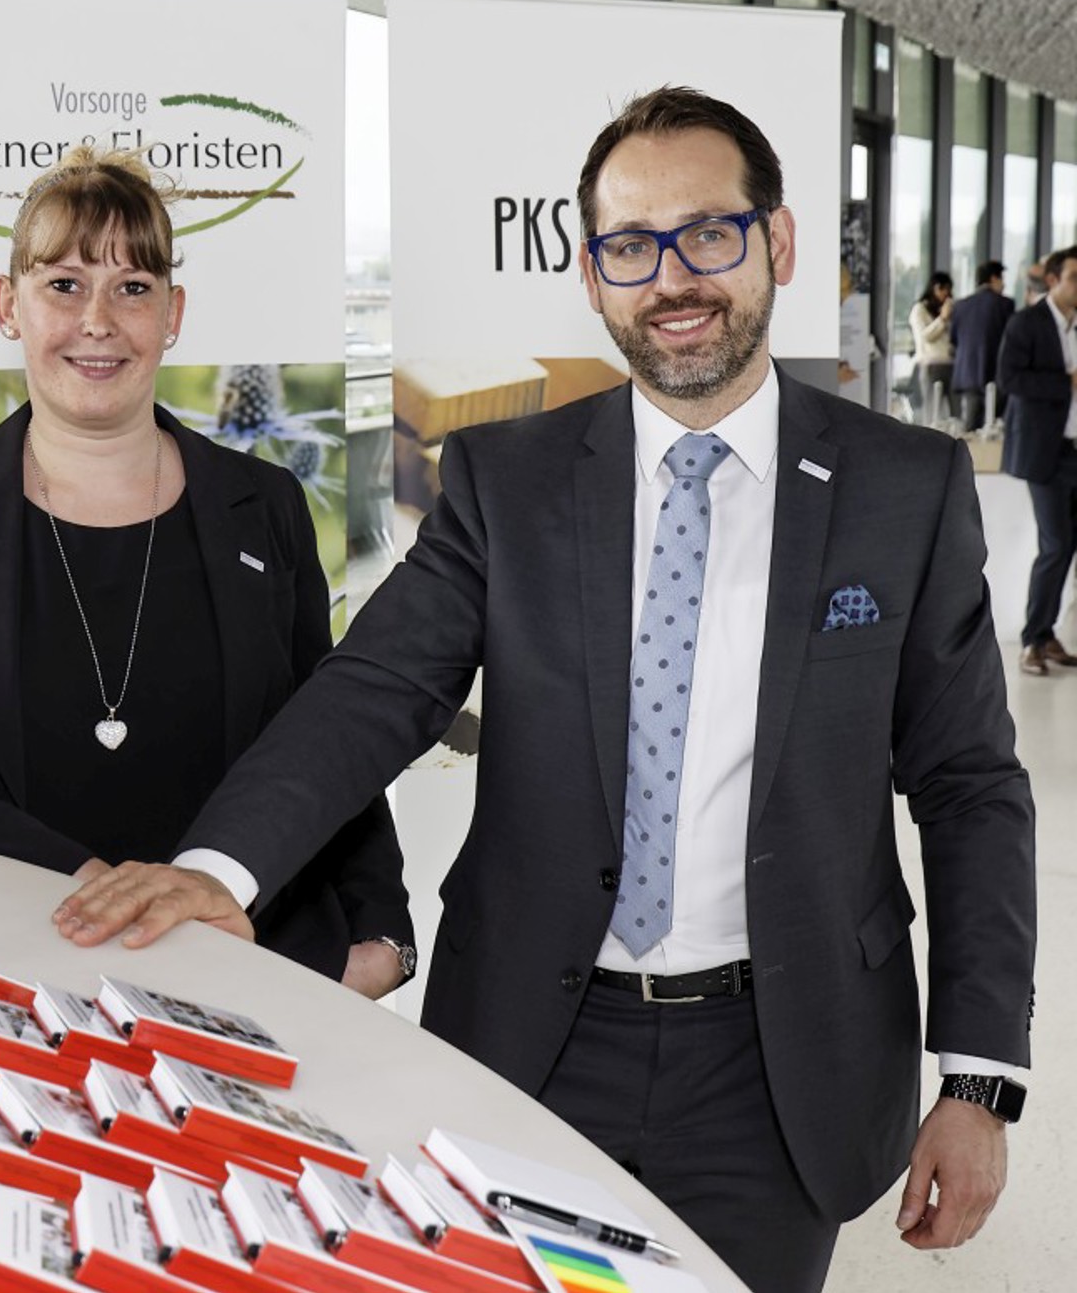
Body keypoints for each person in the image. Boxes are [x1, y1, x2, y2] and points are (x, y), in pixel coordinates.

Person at [56, 88, 1034, 1292]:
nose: (670, 278)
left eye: (706, 233)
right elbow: (375, 686)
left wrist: (978, 1078)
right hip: (529, 1037)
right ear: (590, 275)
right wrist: (219, 870)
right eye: (630, 246)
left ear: (776, 243)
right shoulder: (505, 479)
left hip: (783, 1066)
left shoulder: (901, 487)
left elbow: (969, 784)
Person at [0, 146, 414, 998]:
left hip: (248, 970)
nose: (99, 321)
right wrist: (91, 882)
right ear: (8, 305)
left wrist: (382, 935)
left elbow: (327, 730)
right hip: (14, 969)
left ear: (172, 313)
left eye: (133, 287)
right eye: (64, 284)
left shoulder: (264, 506)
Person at [996, 245, 1077, 677]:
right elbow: (1009, 378)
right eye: (1074, 278)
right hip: (1047, 452)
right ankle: (1032, 640)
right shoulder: (1026, 323)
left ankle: (1046, 634)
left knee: (1068, 546)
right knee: (1056, 544)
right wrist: (1066, 382)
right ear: (1052, 280)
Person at [950, 260, 1014, 436]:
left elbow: (954, 339)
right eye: (1002, 279)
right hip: (996, 373)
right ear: (994, 279)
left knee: (970, 428)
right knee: (995, 430)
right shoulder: (1005, 304)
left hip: (968, 375)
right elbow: (1011, 340)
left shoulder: (960, 305)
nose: (1003, 284)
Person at [908, 271, 955, 429]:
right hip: (930, 364)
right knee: (931, 409)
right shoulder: (919, 309)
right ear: (933, 288)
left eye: (948, 289)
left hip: (949, 363)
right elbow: (925, 336)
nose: (945, 294)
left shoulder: (947, 309)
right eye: (941, 289)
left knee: (950, 412)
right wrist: (942, 319)